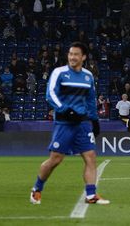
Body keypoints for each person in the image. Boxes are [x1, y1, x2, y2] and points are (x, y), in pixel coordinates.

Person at [30, 42, 109, 205]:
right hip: (64, 123)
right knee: (55, 160)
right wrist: (65, 109)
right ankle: (37, 189)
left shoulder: (88, 76)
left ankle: (91, 195)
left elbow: (90, 99)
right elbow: (50, 94)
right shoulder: (59, 72)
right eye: (70, 54)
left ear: (83, 57)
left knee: (90, 157)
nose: (72, 57)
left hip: (83, 123)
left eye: (76, 54)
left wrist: (94, 120)